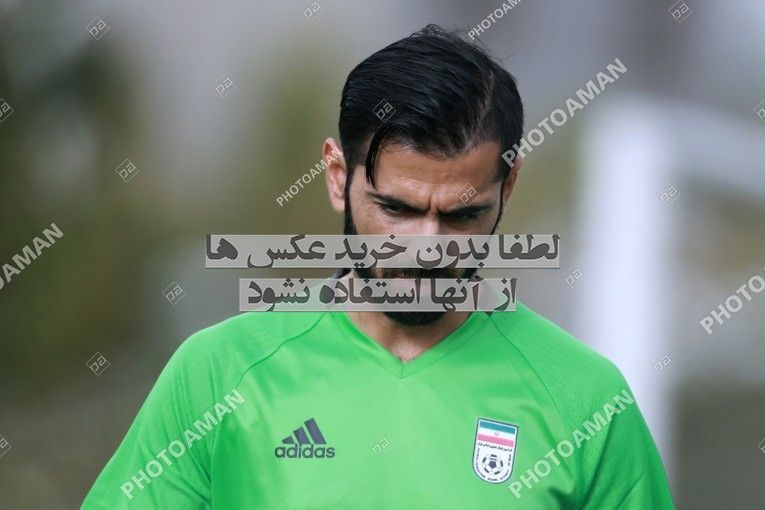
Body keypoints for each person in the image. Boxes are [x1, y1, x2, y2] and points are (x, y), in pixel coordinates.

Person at [83, 24, 674, 509]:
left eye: (463, 215)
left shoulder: (586, 401)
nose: (426, 248)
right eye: (397, 209)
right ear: (337, 177)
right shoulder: (219, 374)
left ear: (508, 187)